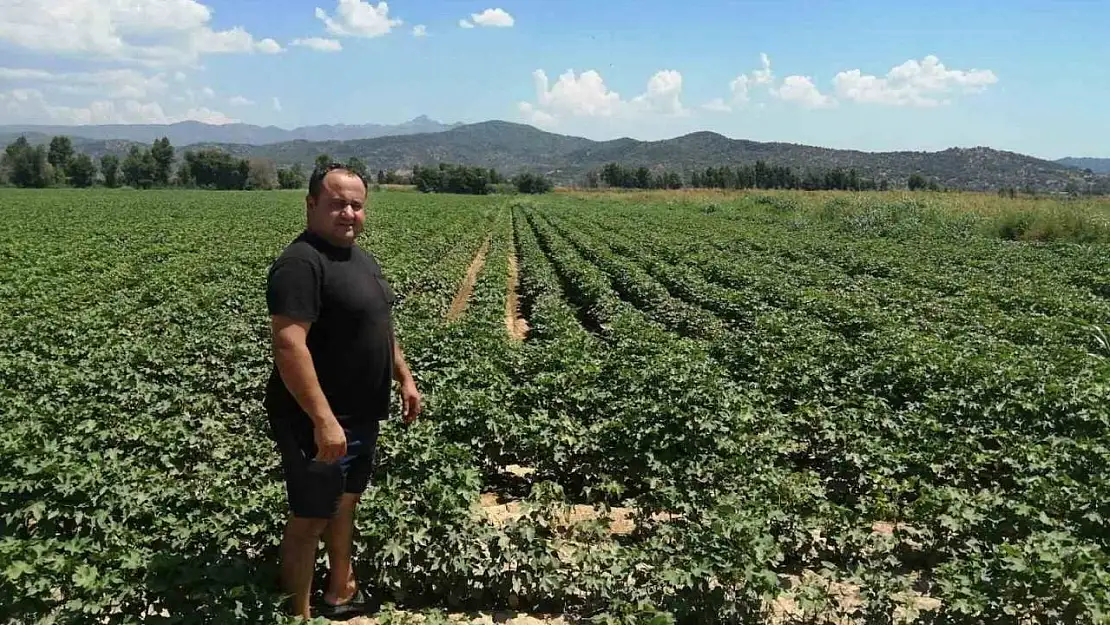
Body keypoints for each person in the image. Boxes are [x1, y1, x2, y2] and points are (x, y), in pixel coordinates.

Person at [263, 163, 422, 620]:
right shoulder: (301, 263)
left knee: (345, 502)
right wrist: (322, 420)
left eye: (356, 205)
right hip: (319, 420)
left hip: (361, 413)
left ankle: (339, 590)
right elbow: (289, 345)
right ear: (311, 205)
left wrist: (404, 377)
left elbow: (380, 327)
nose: (348, 213)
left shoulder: (360, 259)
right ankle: (297, 614)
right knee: (311, 516)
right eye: (337, 204)